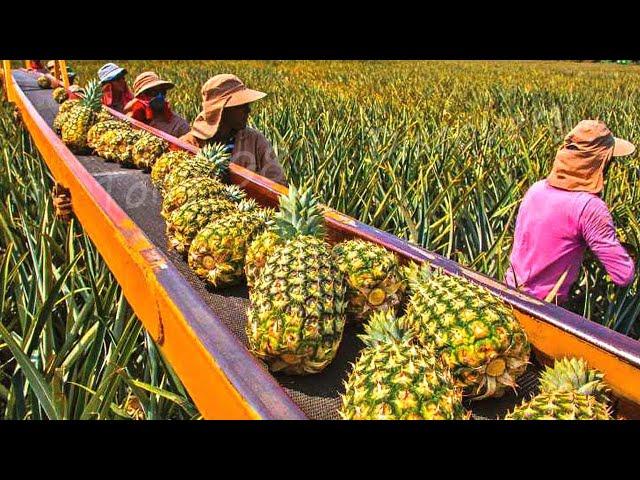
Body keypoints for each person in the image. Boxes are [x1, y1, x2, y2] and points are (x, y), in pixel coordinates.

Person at [505, 120, 636, 304]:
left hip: (509, 292)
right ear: (600, 163)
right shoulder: (590, 207)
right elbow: (623, 275)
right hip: (547, 310)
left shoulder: (536, 189)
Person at [179, 74, 286, 185]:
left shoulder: (255, 140)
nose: (248, 110)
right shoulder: (188, 144)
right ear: (222, 110)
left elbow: (278, 182)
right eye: (242, 105)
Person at [123, 71, 190, 138]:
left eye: (162, 92)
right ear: (142, 96)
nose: (159, 96)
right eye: (153, 92)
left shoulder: (178, 124)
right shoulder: (129, 122)